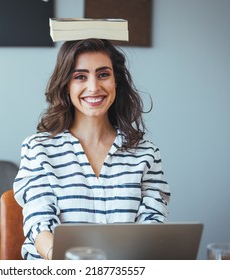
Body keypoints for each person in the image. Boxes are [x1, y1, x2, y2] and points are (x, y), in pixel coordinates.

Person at [13, 38, 170, 260]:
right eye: (80, 77)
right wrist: (70, 263)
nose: (94, 87)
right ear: (67, 85)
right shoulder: (38, 149)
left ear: (116, 81)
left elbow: (153, 227)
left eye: (103, 74)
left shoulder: (146, 153)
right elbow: (40, 226)